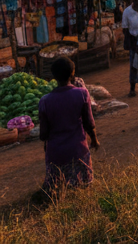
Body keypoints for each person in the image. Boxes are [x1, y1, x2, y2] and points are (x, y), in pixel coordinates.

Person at [37, 57, 98, 194]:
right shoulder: (82, 93)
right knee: (83, 190)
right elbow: (89, 123)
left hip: (55, 154)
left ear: (53, 77)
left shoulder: (45, 101)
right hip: (78, 151)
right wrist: (94, 139)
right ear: (72, 73)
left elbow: (43, 134)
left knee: (58, 192)